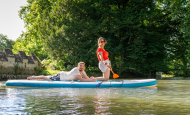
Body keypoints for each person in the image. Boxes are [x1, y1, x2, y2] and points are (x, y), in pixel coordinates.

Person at [27, 62, 96, 82]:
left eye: (83, 66)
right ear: (78, 66)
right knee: (47, 78)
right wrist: (91, 80)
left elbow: (86, 78)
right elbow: (81, 79)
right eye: (80, 66)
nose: (81, 67)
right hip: (61, 76)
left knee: (47, 77)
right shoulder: (76, 70)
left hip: (62, 76)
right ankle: (34, 77)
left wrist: (91, 79)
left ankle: (35, 77)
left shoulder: (82, 71)